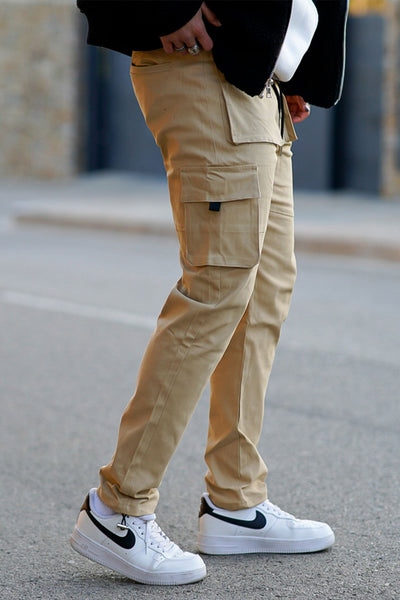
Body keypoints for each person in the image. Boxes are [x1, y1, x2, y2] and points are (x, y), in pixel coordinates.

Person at [72, 0, 348, 586]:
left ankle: (235, 500)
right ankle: (119, 508)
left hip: (259, 78)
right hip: (203, 63)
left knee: (264, 290)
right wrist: (165, 2)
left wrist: (292, 65)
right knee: (216, 286)